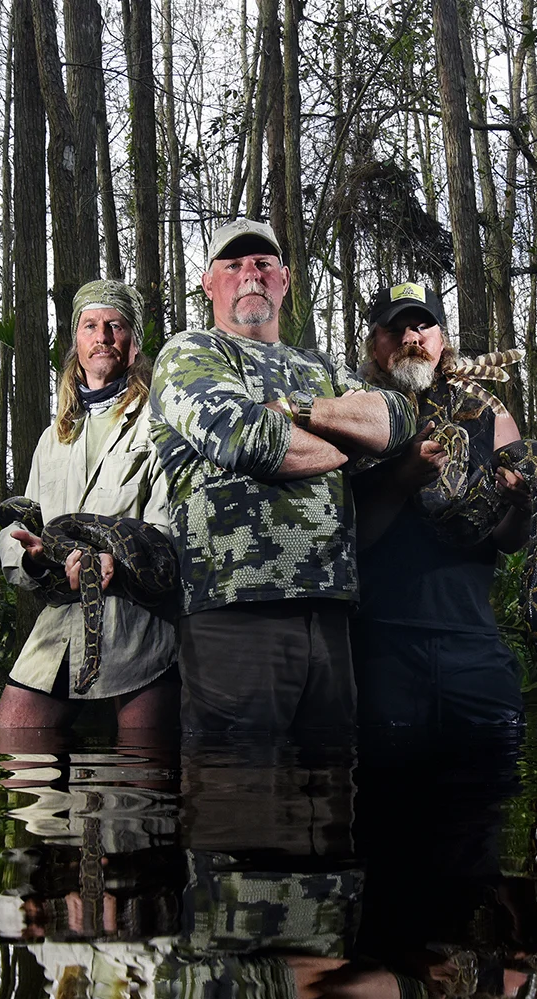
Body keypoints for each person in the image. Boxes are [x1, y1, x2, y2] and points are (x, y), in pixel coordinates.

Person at [149, 218, 417, 733]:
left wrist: (293, 407)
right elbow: (246, 439)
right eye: (234, 264)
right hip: (234, 609)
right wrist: (347, 437)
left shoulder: (318, 366)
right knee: (240, 798)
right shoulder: (190, 353)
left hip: (331, 610)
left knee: (331, 794)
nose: (250, 273)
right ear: (209, 283)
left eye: (263, 263)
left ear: (285, 279)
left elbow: (397, 421)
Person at [0, 279, 178, 734]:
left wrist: (115, 556)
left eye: (115, 326)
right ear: (76, 341)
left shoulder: (159, 421)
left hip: (137, 623)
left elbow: (168, 527)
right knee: (15, 743)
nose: (103, 336)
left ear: (133, 344)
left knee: (141, 780)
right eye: (91, 326)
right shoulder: (54, 435)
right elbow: (22, 522)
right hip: (60, 621)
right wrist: (32, 557)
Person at [350, 282, 531, 729]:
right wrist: (398, 481)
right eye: (395, 330)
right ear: (374, 344)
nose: (411, 338)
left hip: (471, 638)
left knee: (492, 781)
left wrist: (522, 505)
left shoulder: (491, 414)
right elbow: (348, 537)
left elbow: (510, 541)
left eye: (421, 326)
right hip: (379, 642)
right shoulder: (352, 412)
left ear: (441, 340)